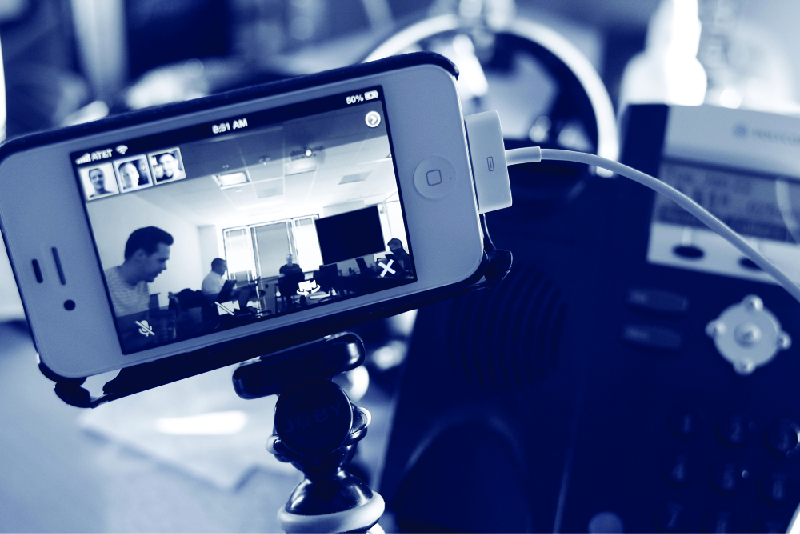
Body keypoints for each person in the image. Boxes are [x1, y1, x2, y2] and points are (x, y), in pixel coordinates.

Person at [105, 226, 174, 348]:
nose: (164, 267)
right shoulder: (104, 286)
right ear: (140, 255)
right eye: (161, 260)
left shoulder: (143, 284)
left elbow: (142, 326)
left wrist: (156, 331)